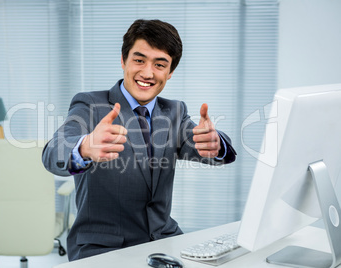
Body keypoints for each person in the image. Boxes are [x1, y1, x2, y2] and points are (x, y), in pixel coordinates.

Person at [42, 19, 237, 261]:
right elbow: (53, 151)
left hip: (165, 241)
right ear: (123, 60)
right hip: (102, 247)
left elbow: (201, 142)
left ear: (170, 71)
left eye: (160, 64)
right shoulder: (91, 105)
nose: (147, 73)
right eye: (139, 60)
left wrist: (215, 143)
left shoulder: (174, 111)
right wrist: (84, 147)